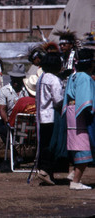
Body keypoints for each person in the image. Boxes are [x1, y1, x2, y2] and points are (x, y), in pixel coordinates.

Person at [62, 48, 94, 190]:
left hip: (72, 112)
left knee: (80, 145)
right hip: (80, 114)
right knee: (84, 147)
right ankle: (75, 181)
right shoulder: (85, 78)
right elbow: (86, 100)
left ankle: (74, 173)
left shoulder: (73, 76)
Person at [35, 52, 63, 185]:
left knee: (44, 144)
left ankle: (44, 170)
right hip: (51, 116)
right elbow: (58, 100)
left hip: (41, 116)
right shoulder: (54, 80)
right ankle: (45, 170)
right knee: (51, 145)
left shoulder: (42, 77)